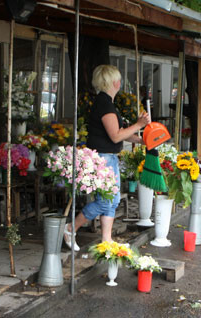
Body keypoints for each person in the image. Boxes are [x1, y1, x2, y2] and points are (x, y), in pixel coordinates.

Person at [64, 65, 150, 250]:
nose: (120, 82)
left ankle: (106, 239)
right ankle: (71, 227)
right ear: (113, 82)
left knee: (113, 200)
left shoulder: (106, 103)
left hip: (108, 157)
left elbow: (120, 133)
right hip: (103, 158)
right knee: (105, 201)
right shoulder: (105, 104)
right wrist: (139, 124)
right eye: (118, 79)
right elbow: (116, 136)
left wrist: (143, 140)